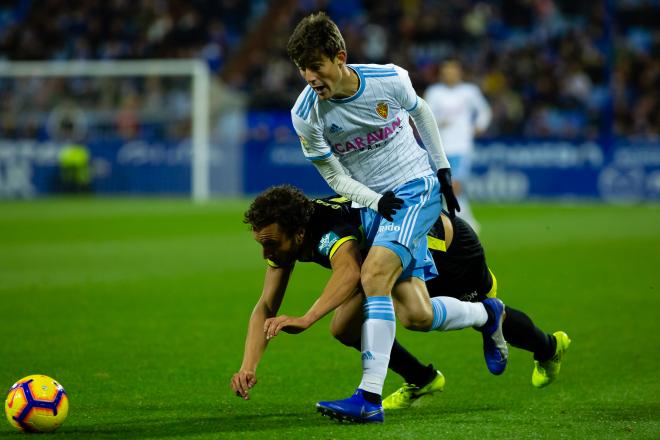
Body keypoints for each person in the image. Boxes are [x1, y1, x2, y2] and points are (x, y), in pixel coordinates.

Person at [286, 12, 472, 422]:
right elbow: (332, 173)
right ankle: (485, 314)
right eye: (302, 70)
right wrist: (370, 199)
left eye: (316, 66)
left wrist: (441, 169)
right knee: (413, 315)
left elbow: (421, 111)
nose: (310, 77)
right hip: (373, 203)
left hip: (415, 186)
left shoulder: (388, 79)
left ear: (339, 57)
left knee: (373, 275)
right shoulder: (306, 114)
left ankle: (368, 398)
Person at [231, 186, 508, 423]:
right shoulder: (287, 239)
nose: (266, 253)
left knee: (415, 316)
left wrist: (307, 318)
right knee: (344, 328)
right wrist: (248, 367)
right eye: (261, 244)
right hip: (375, 256)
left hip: (416, 234)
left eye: (271, 244)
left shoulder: (326, 228)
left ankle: (486, 313)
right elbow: (266, 307)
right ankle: (421, 377)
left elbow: (349, 271)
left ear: (299, 234)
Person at [424, 58, 492, 233]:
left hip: (461, 146)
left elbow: (484, 111)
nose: (450, 74)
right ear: (442, 73)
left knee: (455, 185)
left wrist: (479, 126)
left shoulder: (469, 91)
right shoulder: (434, 92)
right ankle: (464, 222)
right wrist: (439, 122)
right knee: (443, 187)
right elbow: (425, 117)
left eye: (452, 70)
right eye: (446, 70)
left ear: (459, 72)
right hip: (439, 148)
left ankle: (464, 225)